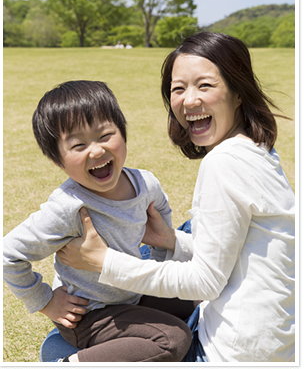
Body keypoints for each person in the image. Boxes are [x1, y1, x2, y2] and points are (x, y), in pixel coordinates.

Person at [57, 32, 295, 362]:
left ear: (238, 92)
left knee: (148, 314)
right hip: (275, 345)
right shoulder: (261, 151)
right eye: (178, 88)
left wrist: (104, 263)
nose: (189, 101)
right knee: (181, 233)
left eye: (205, 86)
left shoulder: (223, 163)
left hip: (231, 353)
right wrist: (171, 240)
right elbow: (241, 253)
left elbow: (206, 282)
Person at [3, 80, 195, 362]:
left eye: (105, 135)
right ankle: (70, 361)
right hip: (91, 314)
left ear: (123, 133)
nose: (96, 151)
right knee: (174, 339)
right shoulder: (68, 206)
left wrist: (158, 259)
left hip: (132, 293)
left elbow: (161, 215)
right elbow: (9, 254)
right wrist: (45, 301)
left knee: (199, 289)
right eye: (78, 145)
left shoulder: (145, 183)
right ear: (59, 161)